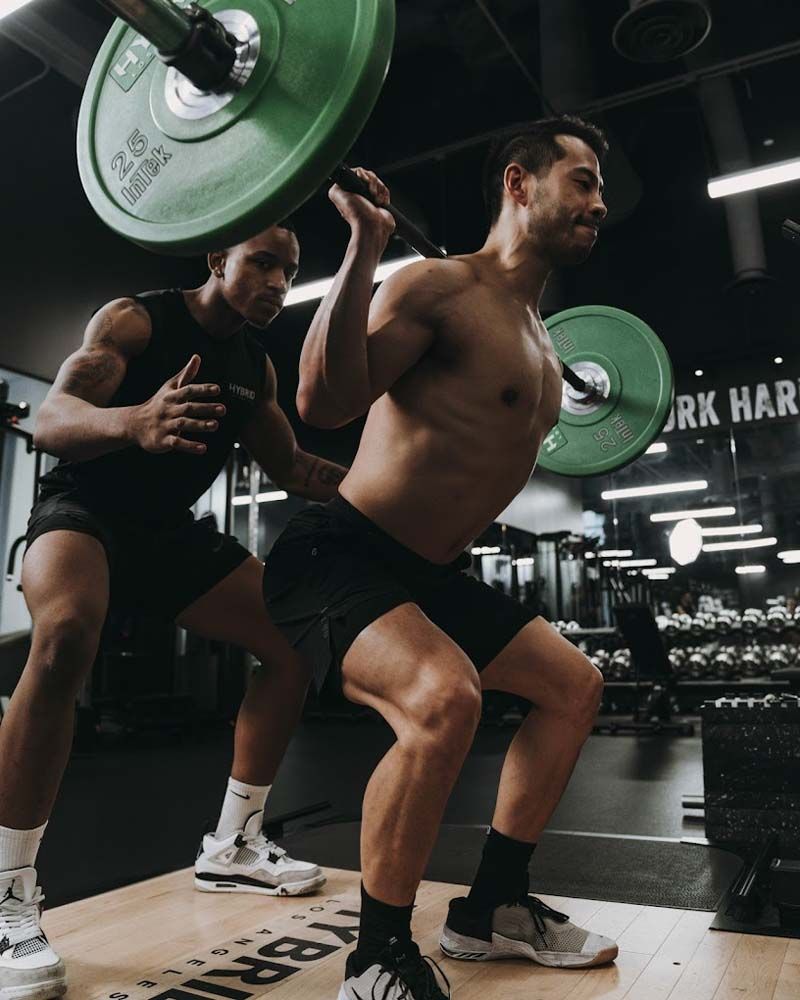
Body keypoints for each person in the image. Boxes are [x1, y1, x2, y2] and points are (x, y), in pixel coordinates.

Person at [263, 116, 619, 1000]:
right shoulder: (437, 287)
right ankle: (378, 956)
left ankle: (492, 908)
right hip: (337, 551)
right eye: (580, 181)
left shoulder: (542, 339)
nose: (599, 203)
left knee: (573, 688)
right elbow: (323, 399)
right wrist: (366, 246)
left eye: (599, 188)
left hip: (429, 574)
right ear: (518, 183)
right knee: (442, 697)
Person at [0, 222, 345, 1000]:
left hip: (165, 538)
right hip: (83, 509)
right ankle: (8, 895)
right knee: (62, 640)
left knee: (295, 639)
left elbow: (293, 468)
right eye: (262, 263)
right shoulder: (136, 321)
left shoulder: (252, 367)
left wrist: (389, 485)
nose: (276, 284)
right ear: (218, 259)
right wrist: (135, 421)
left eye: (289, 273)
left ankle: (235, 844)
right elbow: (50, 420)